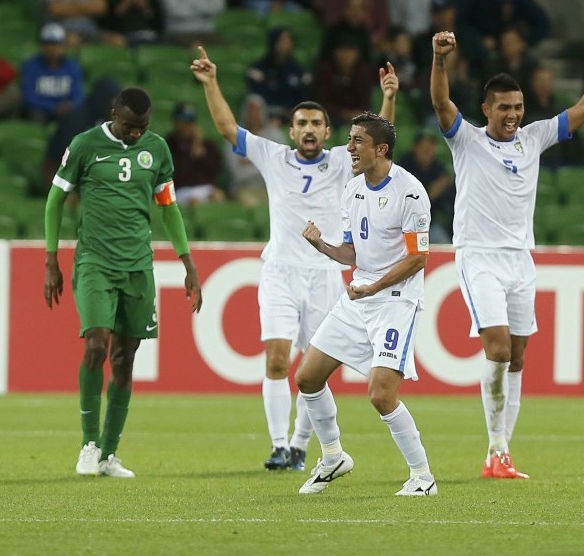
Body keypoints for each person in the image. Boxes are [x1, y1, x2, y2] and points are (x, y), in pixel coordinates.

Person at [430, 31, 584, 479]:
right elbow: (442, 105)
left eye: (518, 107)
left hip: (521, 259)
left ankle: (499, 454)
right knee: (498, 349)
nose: (513, 115)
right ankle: (497, 445)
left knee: (518, 357)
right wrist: (439, 61)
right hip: (478, 255)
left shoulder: (534, 138)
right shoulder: (466, 139)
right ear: (486, 109)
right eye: (504, 107)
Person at [190, 46, 399, 472]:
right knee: (277, 359)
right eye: (301, 123)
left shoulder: (344, 162)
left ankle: (302, 446)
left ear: (327, 133)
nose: (308, 129)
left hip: (326, 273)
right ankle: (279, 445)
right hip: (281, 272)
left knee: (314, 368)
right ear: (290, 131)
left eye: (316, 123)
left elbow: (382, 136)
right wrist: (212, 82)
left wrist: (389, 96)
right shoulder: (274, 158)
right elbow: (228, 128)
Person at [43, 86, 203, 478]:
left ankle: (109, 455)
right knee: (96, 344)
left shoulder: (157, 150)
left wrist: (189, 264)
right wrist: (52, 260)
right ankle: (88, 444)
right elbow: (54, 200)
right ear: (114, 112)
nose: (135, 134)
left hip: (138, 268)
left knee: (124, 361)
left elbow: (168, 208)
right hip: (95, 262)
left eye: (141, 128)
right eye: (130, 126)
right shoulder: (84, 145)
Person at [296, 111, 436, 496]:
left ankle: (422, 478)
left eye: (357, 140)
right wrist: (320, 244)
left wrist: (374, 287)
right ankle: (332, 457)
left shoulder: (410, 192)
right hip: (359, 295)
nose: (349, 147)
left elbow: (418, 258)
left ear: (381, 149)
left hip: (395, 300)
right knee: (307, 377)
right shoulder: (352, 189)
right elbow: (350, 254)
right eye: (349, 138)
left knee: (380, 393)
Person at [20, 23, 85, 123]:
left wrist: (69, 105)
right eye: (49, 44)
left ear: (63, 46)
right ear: (42, 46)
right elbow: (29, 97)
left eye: (57, 44)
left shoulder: (73, 67)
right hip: (41, 110)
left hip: (66, 111)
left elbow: (78, 95)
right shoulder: (31, 66)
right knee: (34, 113)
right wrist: (53, 107)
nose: (53, 49)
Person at [165, 102, 225, 205]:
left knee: (218, 196)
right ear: (175, 122)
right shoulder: (169, 144)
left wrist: (199, 148)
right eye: (183, 122)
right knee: (195, 204)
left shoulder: (207, 144)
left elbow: (215, 171)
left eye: (189, 122)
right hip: (181, 190)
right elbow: (177, 174)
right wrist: (191, 154)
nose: (186, 126)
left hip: (205, 188)